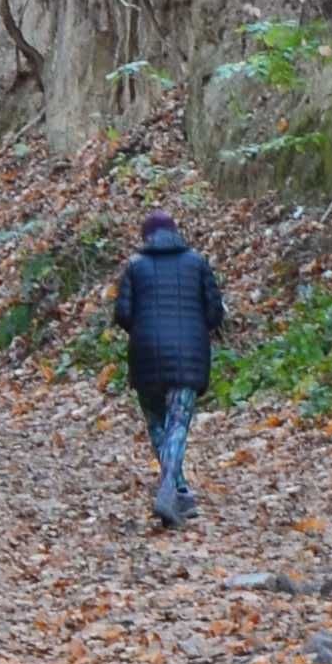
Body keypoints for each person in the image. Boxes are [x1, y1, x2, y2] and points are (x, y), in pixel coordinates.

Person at [109, 209, 226, 528]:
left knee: (157, 423)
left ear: (146, 236)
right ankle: (171, 488)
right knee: (178, 422)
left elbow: (122, 314)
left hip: (146, 353)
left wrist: (144, 328)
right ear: (175, 233)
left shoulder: (135, 266)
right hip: (188, 352)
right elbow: (215, 312)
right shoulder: (197, 262)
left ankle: (178, 490)